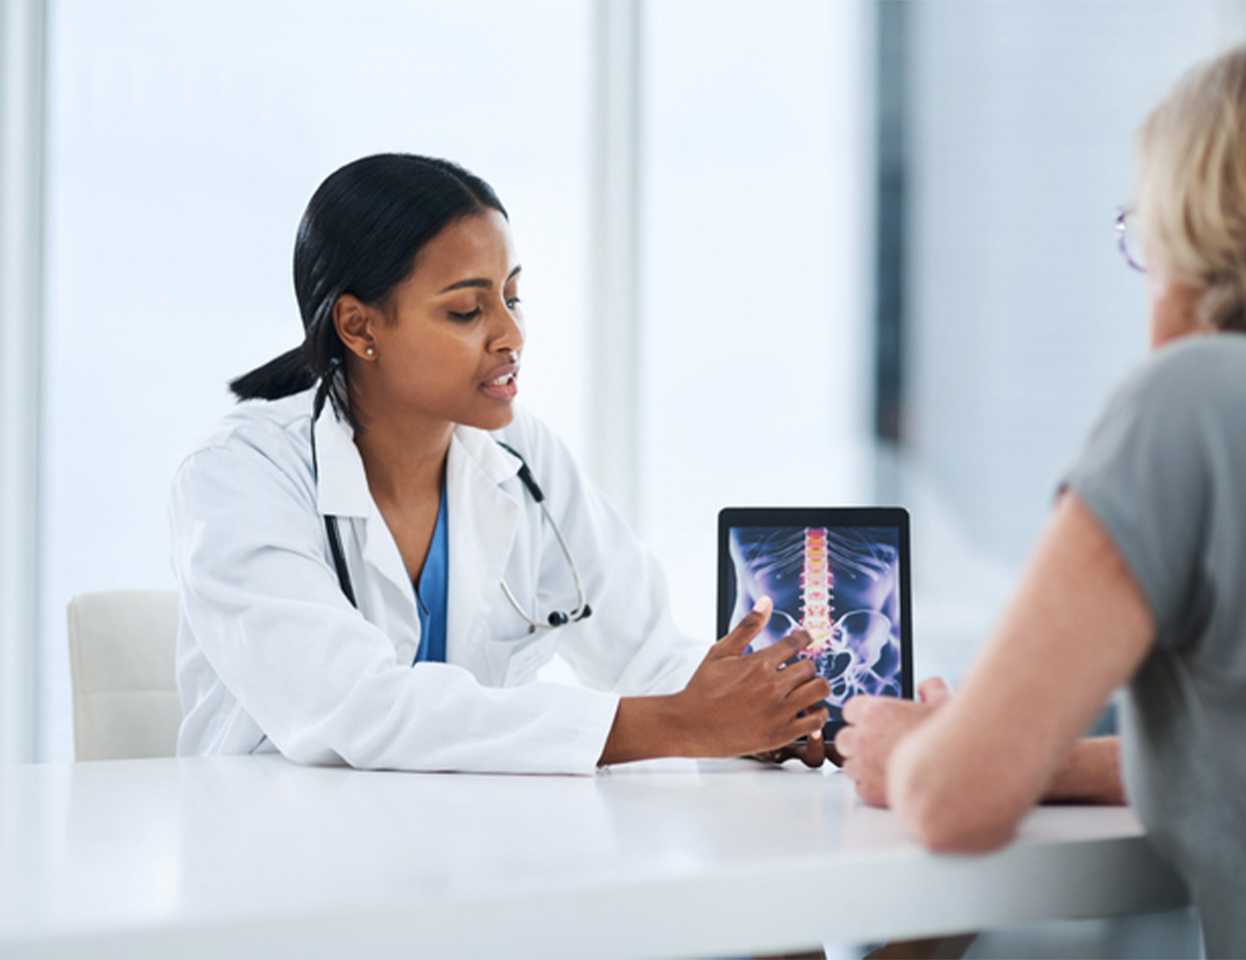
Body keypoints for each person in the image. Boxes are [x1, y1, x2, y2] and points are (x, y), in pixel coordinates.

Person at [171, 154, 830, 774]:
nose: (511, 336)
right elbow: (356, 710)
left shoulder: (522, 457)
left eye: (511, 299)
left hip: (468, 855)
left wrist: (760, 715)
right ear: (359, 327)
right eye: (466, 309)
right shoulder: (240, 474)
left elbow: (648, 656)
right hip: (278, 859)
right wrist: (678, 725)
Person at [837, 38, 1246, 958]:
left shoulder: (1192, 406)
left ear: (1193, 223)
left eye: (1141, 234)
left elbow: (954, 803)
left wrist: (905, 754)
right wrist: (1030, 751)